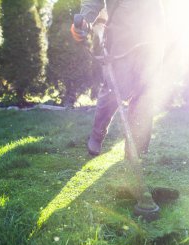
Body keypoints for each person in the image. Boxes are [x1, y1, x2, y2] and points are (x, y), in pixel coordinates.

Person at [71, 0, 166, 158]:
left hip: (153, 33)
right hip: (122, 36)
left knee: (146, 93)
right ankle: (97, 134)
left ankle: (136, 149)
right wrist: (85, 21)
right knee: (114, 90)